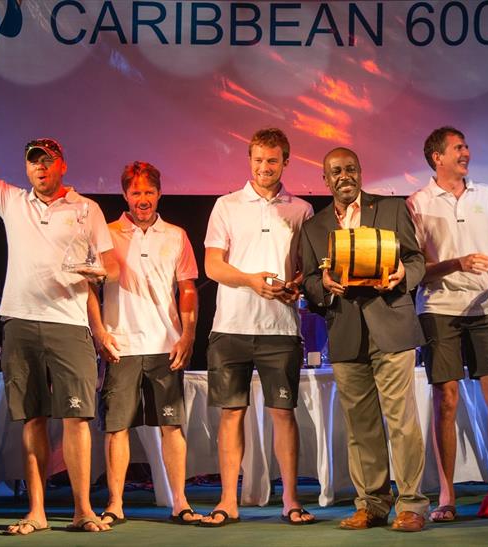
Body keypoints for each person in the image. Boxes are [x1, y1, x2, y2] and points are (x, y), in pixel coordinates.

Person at [0, 77, 117, 534]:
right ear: (26, 168)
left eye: (47, 160)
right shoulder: (11, 201)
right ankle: (37, 512)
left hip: (68, 324)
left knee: (78, 418)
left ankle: (83, 510)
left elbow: (112, 268)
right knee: (32, 419)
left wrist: (98, 275)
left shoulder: (86, 209)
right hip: (20, 323)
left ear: (62, 164)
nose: (40, 168)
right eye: (33, 161)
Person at [300, 147, 430, 532]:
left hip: (391, 324)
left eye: (351, 169)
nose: (345, 176)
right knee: (361, 425)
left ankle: (411, 505)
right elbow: (309, 281)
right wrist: (321, 284)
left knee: (402, 421)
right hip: (345, 333)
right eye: (336, 171)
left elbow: (417, 259)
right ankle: (372, 505)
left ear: (360, 172)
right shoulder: (314, 226)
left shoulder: (390, 209)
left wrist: (402, 276)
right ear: (326, 179)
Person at [200, 128, 315, 527]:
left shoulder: (301, 210)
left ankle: (290, 500)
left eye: (272, 160)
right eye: (258, 160)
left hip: (281, 329)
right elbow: (212, 266)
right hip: (230, 326)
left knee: (283, 414)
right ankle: (229, 500)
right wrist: (250, 280)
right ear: (249, 161)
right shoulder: (226, 205)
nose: (264, 167)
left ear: (285, 161)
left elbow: (305, 267)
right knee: (231, 414)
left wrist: (296, 285)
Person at [406, 127, 488, 522]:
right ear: (437, 156)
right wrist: (456, 263)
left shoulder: (486, 195)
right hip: (439, 307)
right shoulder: (417, 202)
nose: (466, 152)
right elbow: (415, 269)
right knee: (447, 398)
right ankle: (447, 496)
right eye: (458, 148)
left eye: (467, 146)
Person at [86, 161, 201, 526]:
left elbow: (187, 288)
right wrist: (99, 331)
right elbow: (89, 287)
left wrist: (188, 334)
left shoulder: (176, 235)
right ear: (125, 195)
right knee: (116, 427)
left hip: (165, 345)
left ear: (159, 194)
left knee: (171, 426)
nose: (143, 199)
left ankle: (180, 501)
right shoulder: (106, 233)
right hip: (120, 345)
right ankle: (115, 504)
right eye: (136, 192)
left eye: (149, 192)